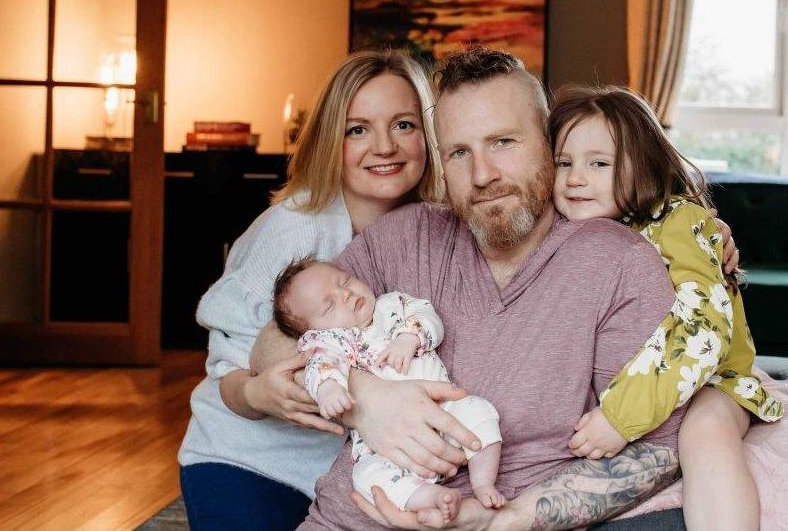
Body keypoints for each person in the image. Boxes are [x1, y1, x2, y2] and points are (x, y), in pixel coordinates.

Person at [255, 47, 687, 530]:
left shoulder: (617, 260)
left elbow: (658, 447)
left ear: (549, 142)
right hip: (345, 519)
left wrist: (505, 518)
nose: (483, 175)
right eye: (460, 152)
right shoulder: (405, 235)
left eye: (503, 142)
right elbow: (275, 340)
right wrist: (365, 397)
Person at [177, 49, 445, 530]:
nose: (383, 146)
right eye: (357, 129)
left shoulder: (437, 230)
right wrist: (258, 394)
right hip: (249, 459)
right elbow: (225, 364)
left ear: (430, 134)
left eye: (403, 125)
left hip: (362, 470)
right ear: (330, 142)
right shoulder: (295, 229)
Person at [547, 84, 784, 531]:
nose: (575, 177)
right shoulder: (567, 229)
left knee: (706, 430)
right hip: (618, 384)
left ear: (645, 168)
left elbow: (701, 329)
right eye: (564, 163)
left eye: (598, 164)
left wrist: (621, 416)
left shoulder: (679, 223)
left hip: (711, 381)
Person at [250, 256, 504, 520]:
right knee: (367, 477)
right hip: (387, 450)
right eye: (329, 306)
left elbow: (427, 315)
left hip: (445, 410)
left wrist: (409, 337)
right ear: (312, 332)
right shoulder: (331, 342)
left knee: (479, 410)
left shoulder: (393, 304)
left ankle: (483, 482)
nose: (346, 294)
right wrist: (328, 389)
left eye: (344, 281)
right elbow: (321, 366)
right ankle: (430, 498)